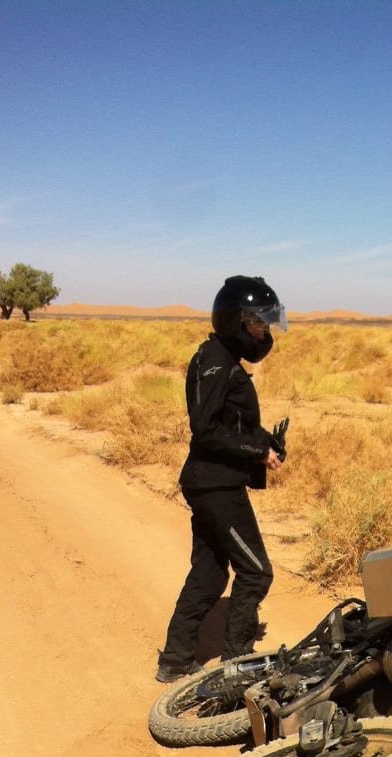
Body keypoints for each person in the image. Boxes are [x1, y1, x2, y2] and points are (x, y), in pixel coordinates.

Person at [156, 275, 289, 683]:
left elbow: (229, 423)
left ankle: (175, 659)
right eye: (257, 324)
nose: (263, 332)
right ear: (235, 321)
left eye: (266, 324)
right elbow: (206, 429)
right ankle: (237, 664)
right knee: (256, 571)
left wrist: (265, 441)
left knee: (210, 573)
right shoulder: (215, 362)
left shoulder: (224, 359)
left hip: (213, 481)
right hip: (215, 486)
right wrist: (256, 451)